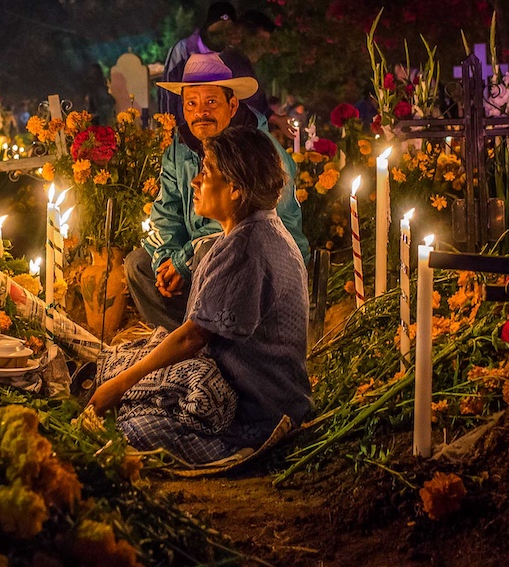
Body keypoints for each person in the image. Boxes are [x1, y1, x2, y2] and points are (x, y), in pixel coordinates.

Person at [89, 126, 312, 463]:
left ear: (236, 189)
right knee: (122, 370)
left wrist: (118, 387)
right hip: (258, 394)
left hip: (258, 410)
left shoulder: (246, 248)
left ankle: (240, 452)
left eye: (206, 172)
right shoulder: (255, 231)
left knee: (132, 426)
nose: (195, 181)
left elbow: (191, 338)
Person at [126, 52, 309, 331]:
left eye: (211, 102)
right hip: (197, 261)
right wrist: (167, 259)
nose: (201, 113)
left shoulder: (258, 151)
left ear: (232, 105)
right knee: (139, 264)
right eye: (191, 103)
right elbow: (166, 213)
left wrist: (185, 259)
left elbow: (257, 232)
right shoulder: (180, 149)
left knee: (211, 254)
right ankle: (183, 342)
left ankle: (204, 344)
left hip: (254, 269)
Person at [158, 2, 238, 129]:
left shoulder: (232, 56)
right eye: (218, 29)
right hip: (187, 129)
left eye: (228, 28)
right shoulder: (182, 50)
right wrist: (169, 130)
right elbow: (168, 95)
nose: (223, 33)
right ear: (208, 26)